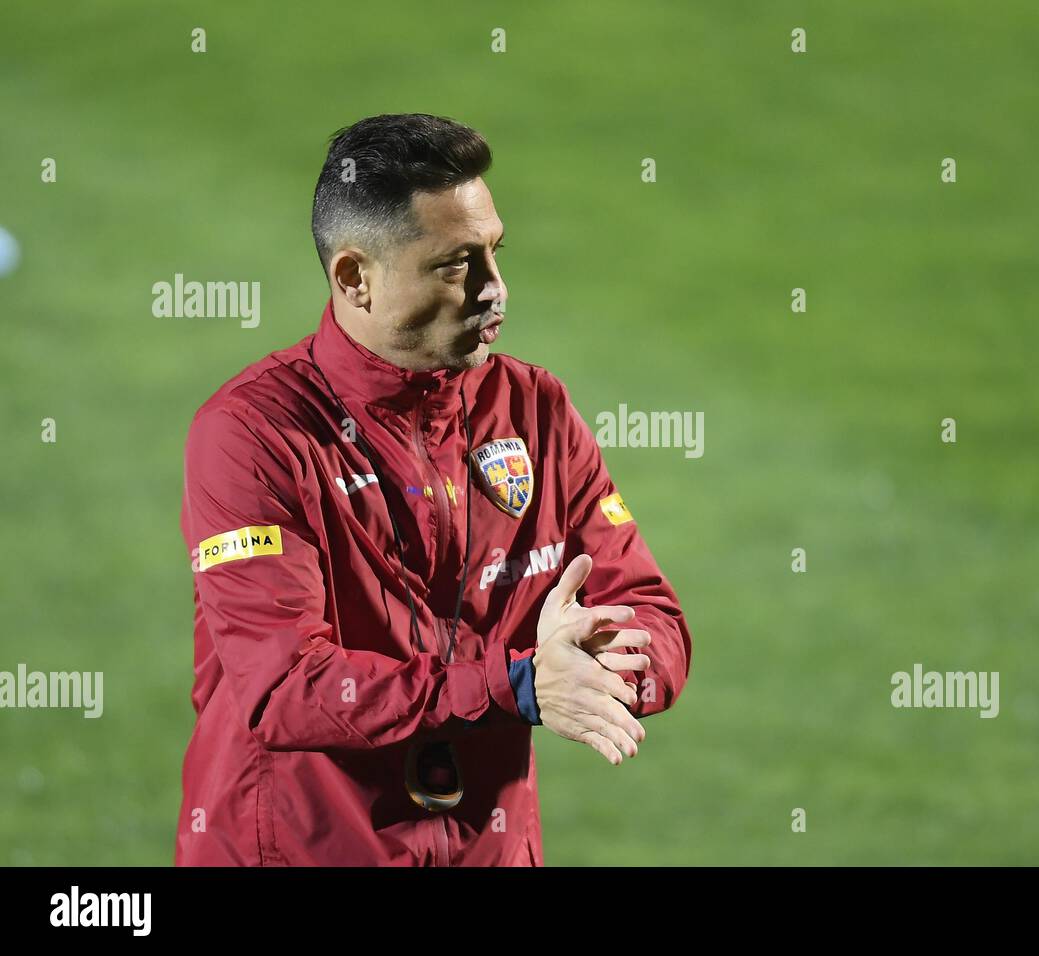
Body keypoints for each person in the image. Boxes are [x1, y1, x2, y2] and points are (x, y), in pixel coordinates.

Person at [175, 114, 692, 866]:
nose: (495, 289)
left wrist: (598, 667)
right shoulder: (253, 436)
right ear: (354, 278)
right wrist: (513, 686)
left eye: (494, 253)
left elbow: (652, 611)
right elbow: (284, 687)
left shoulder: (535, 413)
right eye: (456, 266)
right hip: (295, 850)